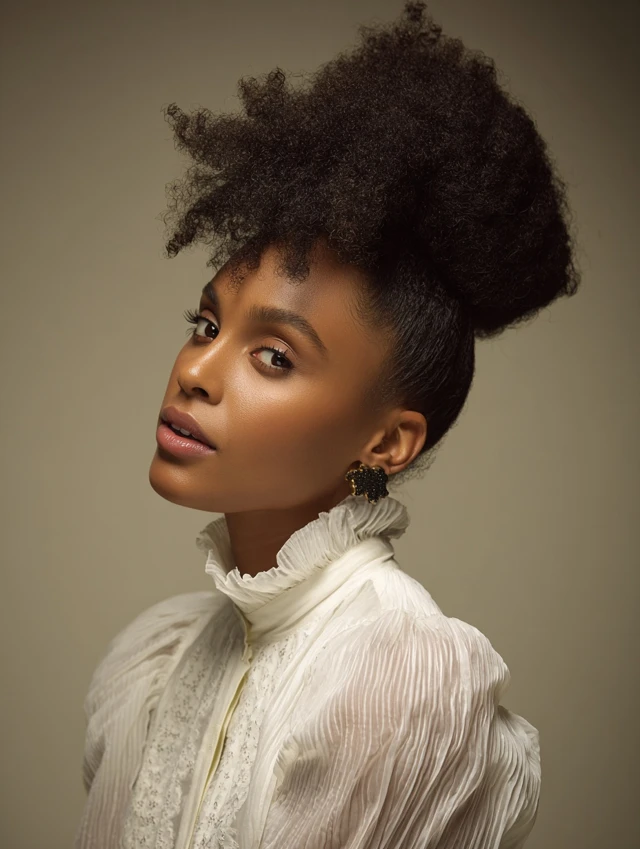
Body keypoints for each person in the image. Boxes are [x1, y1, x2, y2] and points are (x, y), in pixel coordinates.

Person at [74, 2, 580, 847]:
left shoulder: (398, 674)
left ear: (387, 442)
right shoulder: (156, 656)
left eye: (274, 355)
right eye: (206, 324)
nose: (195, 370)